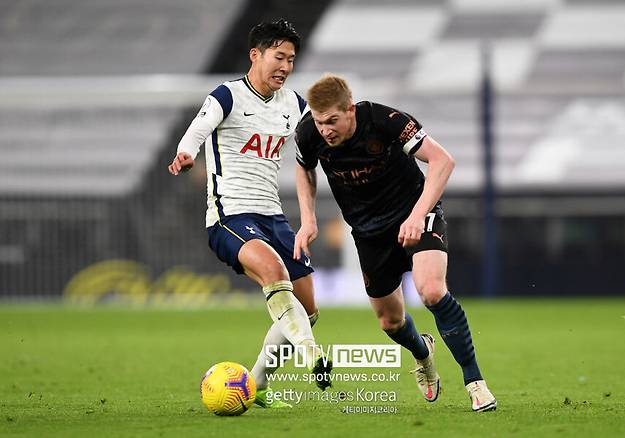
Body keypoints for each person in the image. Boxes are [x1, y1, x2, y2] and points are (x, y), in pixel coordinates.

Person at [294, 74, 496, 412]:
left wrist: (418, 215)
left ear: (350, 110)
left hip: (415, 214)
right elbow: (305, 168)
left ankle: (475, 382)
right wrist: (308, 219)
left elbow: (443, 160)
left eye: (332, 121)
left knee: (431, 291)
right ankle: (423, 353)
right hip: (368, 232)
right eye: (319, 121)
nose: (325, 129)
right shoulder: (308, 133)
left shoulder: (385, 121)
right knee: (390, 322)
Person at [168, 19, 331, 408]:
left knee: (307, 309)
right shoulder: (227, 95)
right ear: (255, 55)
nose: (286, 67)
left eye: (291, 60)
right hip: (229, 216)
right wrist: (187, 152)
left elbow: (322, 140)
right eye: (279, 57)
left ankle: (254, 386)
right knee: (274, 273)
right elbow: (198, 128)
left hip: (273, 217)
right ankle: (313, 356)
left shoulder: (294, 104)